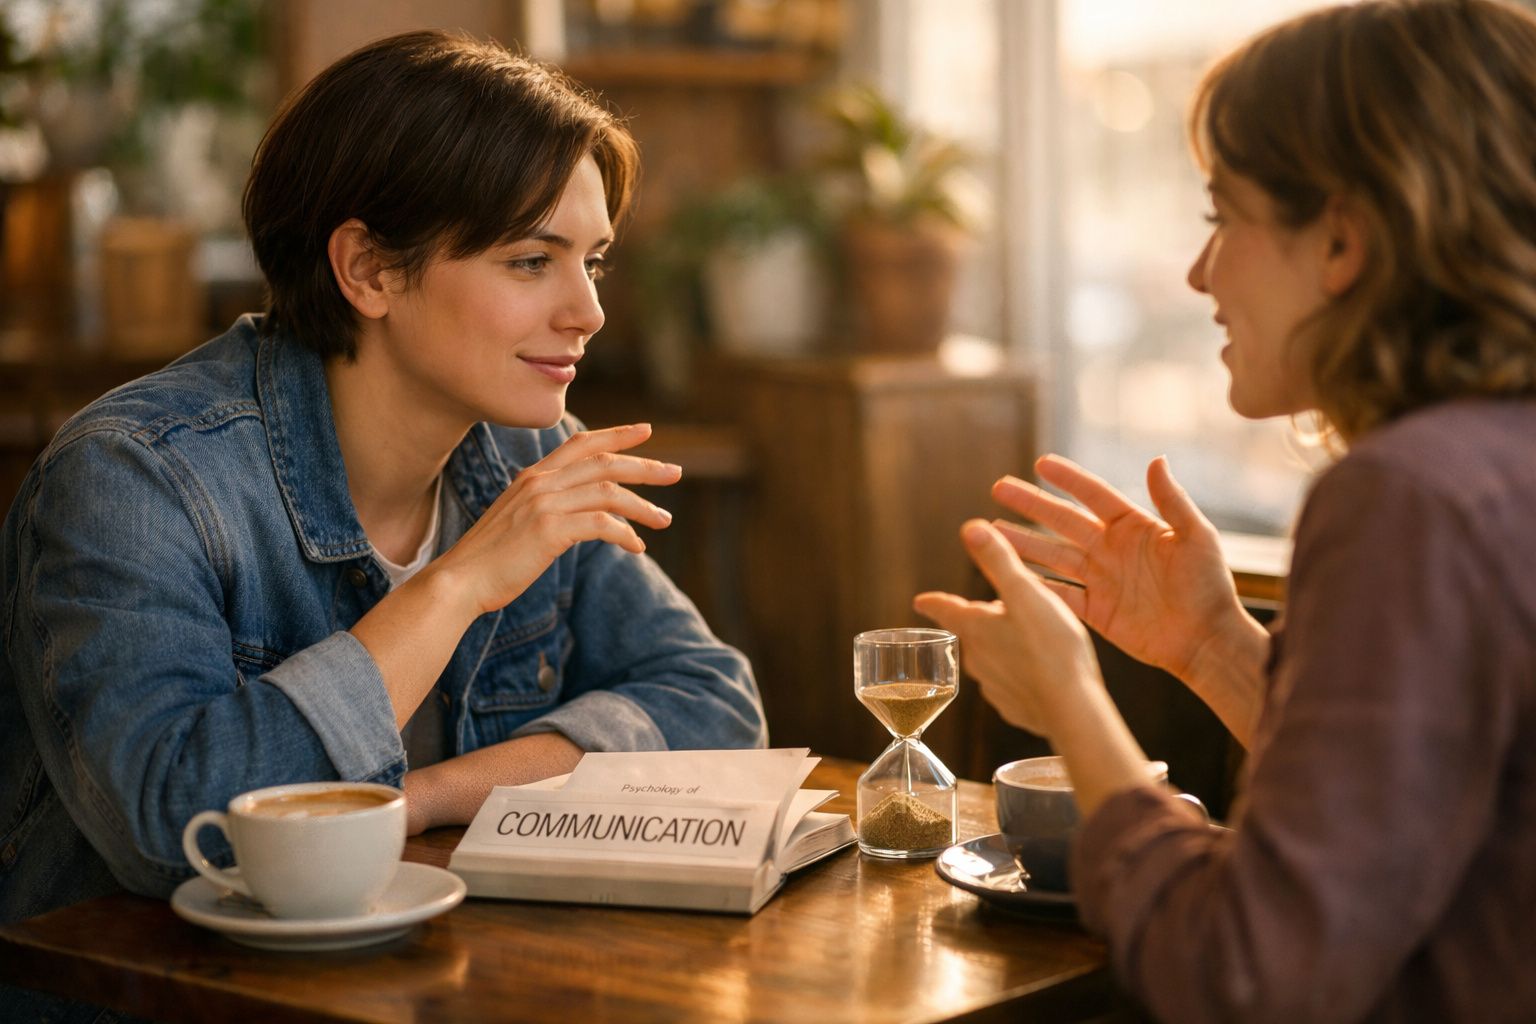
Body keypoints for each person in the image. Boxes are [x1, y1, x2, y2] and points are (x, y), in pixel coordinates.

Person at [0, 29, 766, 929]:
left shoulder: (526, 454)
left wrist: (436, 793)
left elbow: (711, 706)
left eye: (592, 261)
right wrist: (457, 585)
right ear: (368, 268)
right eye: (530, 260)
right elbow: (178, 828)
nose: (589, 310)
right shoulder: (138, 479)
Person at [915, 1, 1536, 1020]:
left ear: (1342, 237)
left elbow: (1248, 974)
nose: (1202, 275)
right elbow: (1417, 811)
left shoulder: (1406, 498)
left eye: (1224, 216)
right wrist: (1211, 643)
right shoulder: (1491, 468)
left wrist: (1072, 700)